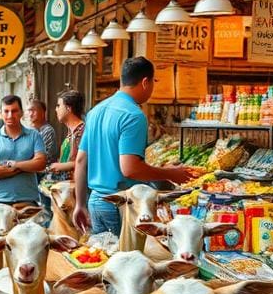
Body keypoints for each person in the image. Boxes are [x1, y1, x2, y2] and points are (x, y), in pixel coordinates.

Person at [73, 56, 195, 235]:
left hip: (96, 201)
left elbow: (81, 161)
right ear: (145, 82)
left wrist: (80, 204)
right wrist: (170, 174)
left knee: (104, 258)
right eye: (153, 81)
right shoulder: (133, 115)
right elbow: (130, 169)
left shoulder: (95, 111)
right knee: (126, 260)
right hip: (120, 205)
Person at [0, 95, 47, 208]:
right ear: (0, 113)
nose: (10, 115)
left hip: (28, 199)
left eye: (14, 111)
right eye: (6, 111)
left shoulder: (34, 136)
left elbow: (40, 163)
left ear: (21, 113)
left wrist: (15, 164)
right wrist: (25, 166)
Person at [48, 89, 86, 181]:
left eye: (59, 105)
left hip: (78, 188)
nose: (56, 109)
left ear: (68, 108)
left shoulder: (82, 132)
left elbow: (88, 161)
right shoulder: (72, 132)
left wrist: (61, 166)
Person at [28, 100, 59, 166]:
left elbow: (43, 158)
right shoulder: (29, 130)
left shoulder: (47, 130)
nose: (30, 114)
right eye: (29, 111)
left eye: (33, 111)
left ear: (42, 113)